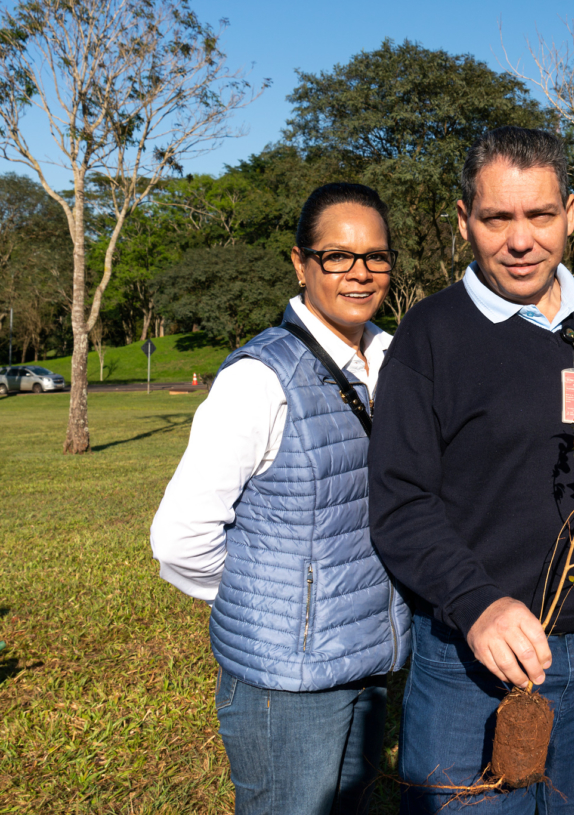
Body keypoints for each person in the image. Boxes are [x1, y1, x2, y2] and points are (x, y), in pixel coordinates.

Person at [368, 126, 574, 814]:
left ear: (570, 212)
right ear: (465, 221)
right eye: (497, 217)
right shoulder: (431, 334)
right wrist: (476, 603)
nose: (521, 239)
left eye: (539, 215)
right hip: (469, 666)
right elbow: (399, 502)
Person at [150, 183, 411, 815]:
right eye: (337, 256)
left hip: (370, 660)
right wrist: (275, 603)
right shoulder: (260, 379)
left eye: (375, 256)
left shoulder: (393, 360)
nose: (359, 273)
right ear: (301, 263)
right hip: (286, 684)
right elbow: (180, 536)